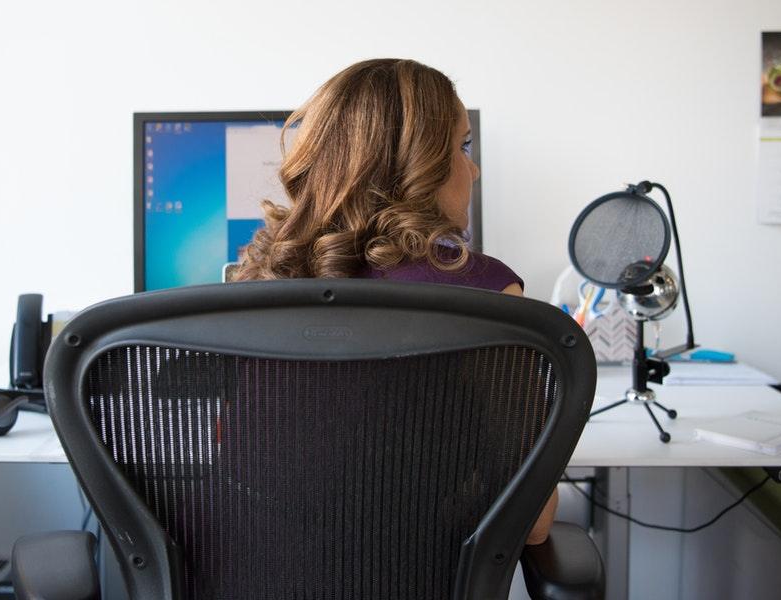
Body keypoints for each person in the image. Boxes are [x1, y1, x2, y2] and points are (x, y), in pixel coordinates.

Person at [232, 58, 557, 546]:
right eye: (462, 146)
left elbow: (234, 469)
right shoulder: (485, 295)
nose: (475, 169)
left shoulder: (254, 287)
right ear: (418, 165)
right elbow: (533, 525)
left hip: (253, 573)